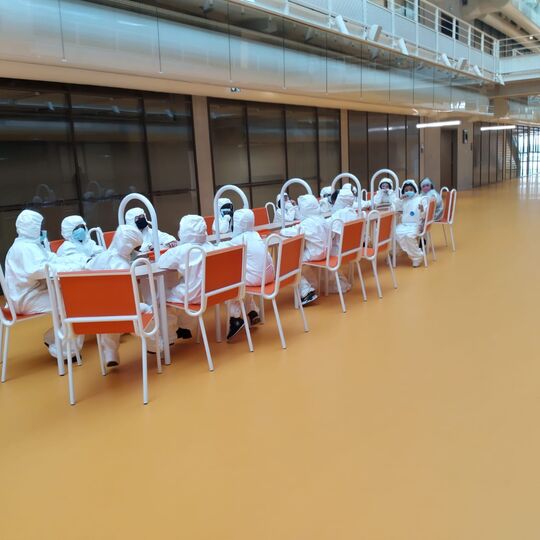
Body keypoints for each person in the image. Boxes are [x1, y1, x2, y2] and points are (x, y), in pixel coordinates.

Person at [4, 209, 85, 360]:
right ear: (32, 227)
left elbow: (51, 259)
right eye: (39, 226)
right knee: (72, 306)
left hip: (28, 295)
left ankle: (53, 339)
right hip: (26, 299)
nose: (41, 230)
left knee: (68, 301)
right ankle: (65, 352)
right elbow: (41, 270)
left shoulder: (30, 245)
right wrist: (73, 267)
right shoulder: (24, 248)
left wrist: (77, 261)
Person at [86, 224, 148, 367]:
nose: (136, 252)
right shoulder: (122, 266)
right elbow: (126, 299)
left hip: (93, 311)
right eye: (135, 248)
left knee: (108, 312)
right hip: (122, 312)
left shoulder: (100, 257)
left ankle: (110, 353)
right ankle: (156, 348)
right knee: (149, 308)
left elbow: (86, 271)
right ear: (128, 247)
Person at [218, 209, 275, 340]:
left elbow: (219, 248)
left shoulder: (239, 239)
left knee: (230, 282)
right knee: (242, 280)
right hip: (269, 277)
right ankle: (252, 311)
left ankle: (235, 318)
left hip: (257, 279)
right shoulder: (256, 235)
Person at [158, 215, 215, 337]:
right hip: (212, 293)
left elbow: (162, 263)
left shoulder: (182, 250)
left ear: (183, 231)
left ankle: (168, 337)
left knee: (161, 298)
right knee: (179, 286)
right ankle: (186, 327)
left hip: (194, 295)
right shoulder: (211, 246)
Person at [280, 194, 329, 305]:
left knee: (290, 263)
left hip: (315, 254)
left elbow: (293, 231)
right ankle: (308, 286)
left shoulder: (308, 223)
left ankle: (306, 291)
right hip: (325, 252)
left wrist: (282, 231)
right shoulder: (322, 219)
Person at [395, 180, 426, 267]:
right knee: (395, 233)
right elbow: (396, 208)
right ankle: (397, 251)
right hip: (404, 224)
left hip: (416, 224)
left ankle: (417, 256)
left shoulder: (420, 199)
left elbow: (425, 215)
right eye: (406, 190)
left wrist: (422, 209)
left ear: (415, 190)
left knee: (409, 236)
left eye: (411, 189)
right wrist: (400, 199)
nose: (409, 191)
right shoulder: (404, 201)